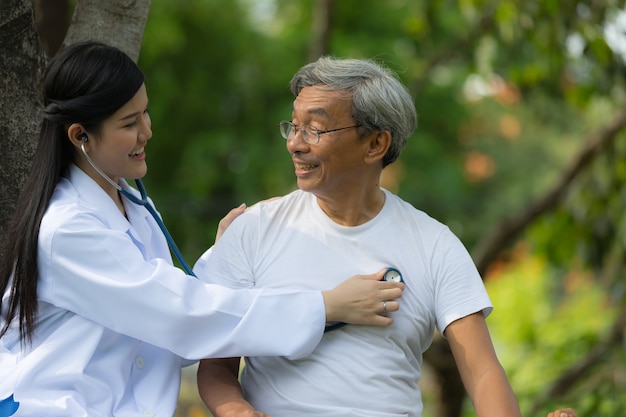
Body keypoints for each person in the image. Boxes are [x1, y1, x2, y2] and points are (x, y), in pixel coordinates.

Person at [0, 42, 404, 417]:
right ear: (81, 136)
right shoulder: (68, 230)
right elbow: (179, 317)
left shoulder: (132, 205)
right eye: (129, 123)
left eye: (145, 112)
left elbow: (165, 318)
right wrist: (326, 306)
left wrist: (223, 252)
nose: (147, 131)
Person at [194, 57, 578, 417]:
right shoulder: (254, 230)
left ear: (376, 144)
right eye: (293, 126)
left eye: (314, 128)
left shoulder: (434, 244)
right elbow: (216, 362)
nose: (295, 143)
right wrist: (239, 412)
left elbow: (481, 372)